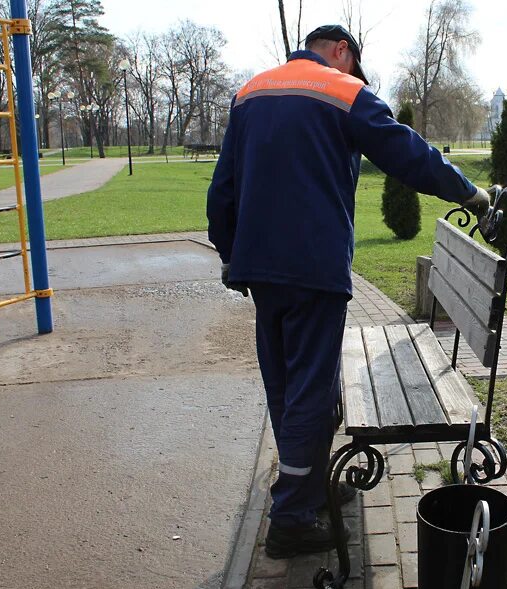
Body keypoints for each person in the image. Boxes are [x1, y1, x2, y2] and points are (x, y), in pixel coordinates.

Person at [206, 24, 490, 559]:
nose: (355, 76)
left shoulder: (249, 93)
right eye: (354, 66)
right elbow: (411, 156)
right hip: (314, 268)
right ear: (342, 52)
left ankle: (305, 490)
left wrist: (229, 253)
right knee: (313, 390)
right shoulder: (343, 91)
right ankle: (291, 517)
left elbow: (223, 188)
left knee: (287, 387)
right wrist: (470, 193)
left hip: (261, 270)